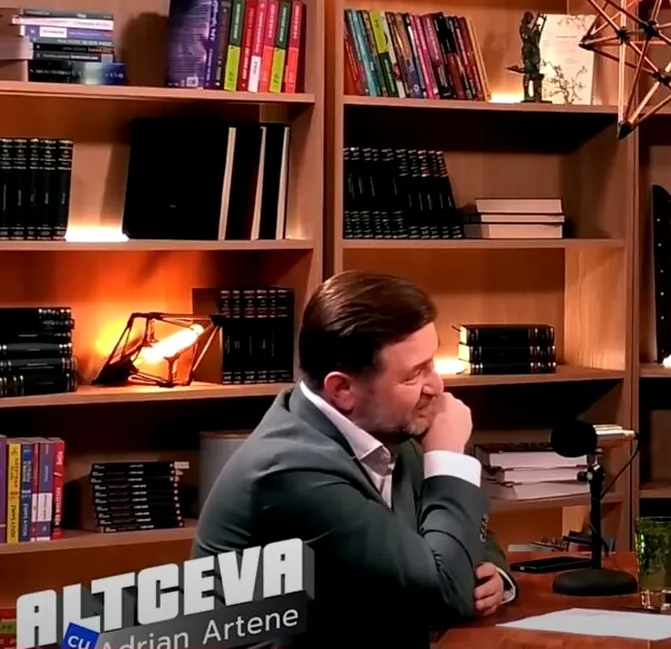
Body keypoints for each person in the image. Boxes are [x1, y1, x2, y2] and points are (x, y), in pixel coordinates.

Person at [194, 271, 518, 647]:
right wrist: (447, 458)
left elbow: (458, 527)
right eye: (415, 374)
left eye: (431, 364)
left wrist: (493, 574)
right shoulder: (292, 471)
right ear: (342, 388)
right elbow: (443, 597)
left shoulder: (386, 426)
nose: (437, 387)